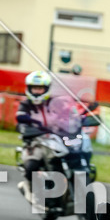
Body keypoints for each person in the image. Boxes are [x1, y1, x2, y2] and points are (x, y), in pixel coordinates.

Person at [15, 70, 84, 202]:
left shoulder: (56, 103)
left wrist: (76, 120)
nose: (37, 91)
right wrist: (30, 125)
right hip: (35, 142)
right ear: (29, 89)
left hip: (56, 139)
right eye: (34, 88)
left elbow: (68, 114)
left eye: (40, 88)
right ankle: (30, 190)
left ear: (46, 89)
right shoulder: (25, 105)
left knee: (73, 154)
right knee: (31, 166)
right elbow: (20, 117)